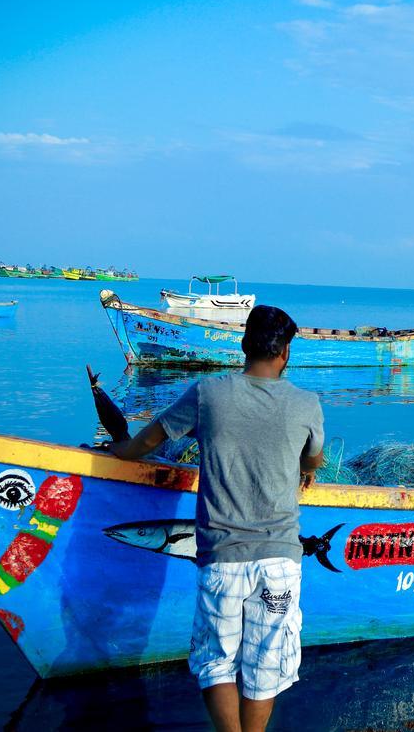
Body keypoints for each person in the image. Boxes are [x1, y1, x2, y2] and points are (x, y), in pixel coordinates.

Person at [109, 305, 325, 732]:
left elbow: (150, 439)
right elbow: (311, 459)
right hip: (281, 559)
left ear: (244, 345)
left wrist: (119, 452)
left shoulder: (208, 393)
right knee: (266, 666)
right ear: (285, 353)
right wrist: (309, 468)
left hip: (222, 558)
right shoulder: (306, 403)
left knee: (216, 663)